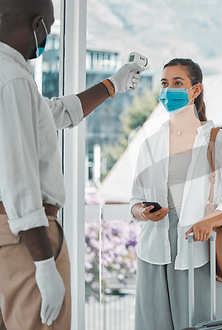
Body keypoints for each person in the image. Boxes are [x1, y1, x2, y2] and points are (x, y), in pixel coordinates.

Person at [0, 0, 145, 328]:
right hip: (25, 239)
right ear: (37, 25)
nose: (46, 37)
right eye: (48, 30)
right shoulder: (13, 78)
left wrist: (112, 84)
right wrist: (43, 263)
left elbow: (54, 113)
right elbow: (18, 177)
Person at [130, 58, 222, 329]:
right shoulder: (150, 143)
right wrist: (143, 212)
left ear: (195, 90)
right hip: (153, 250)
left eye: (177, 83)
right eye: (164, 84)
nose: (168, 90)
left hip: (196, 247)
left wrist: (209, 221)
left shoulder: (220, 141)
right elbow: (135, 199)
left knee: (199, 322)